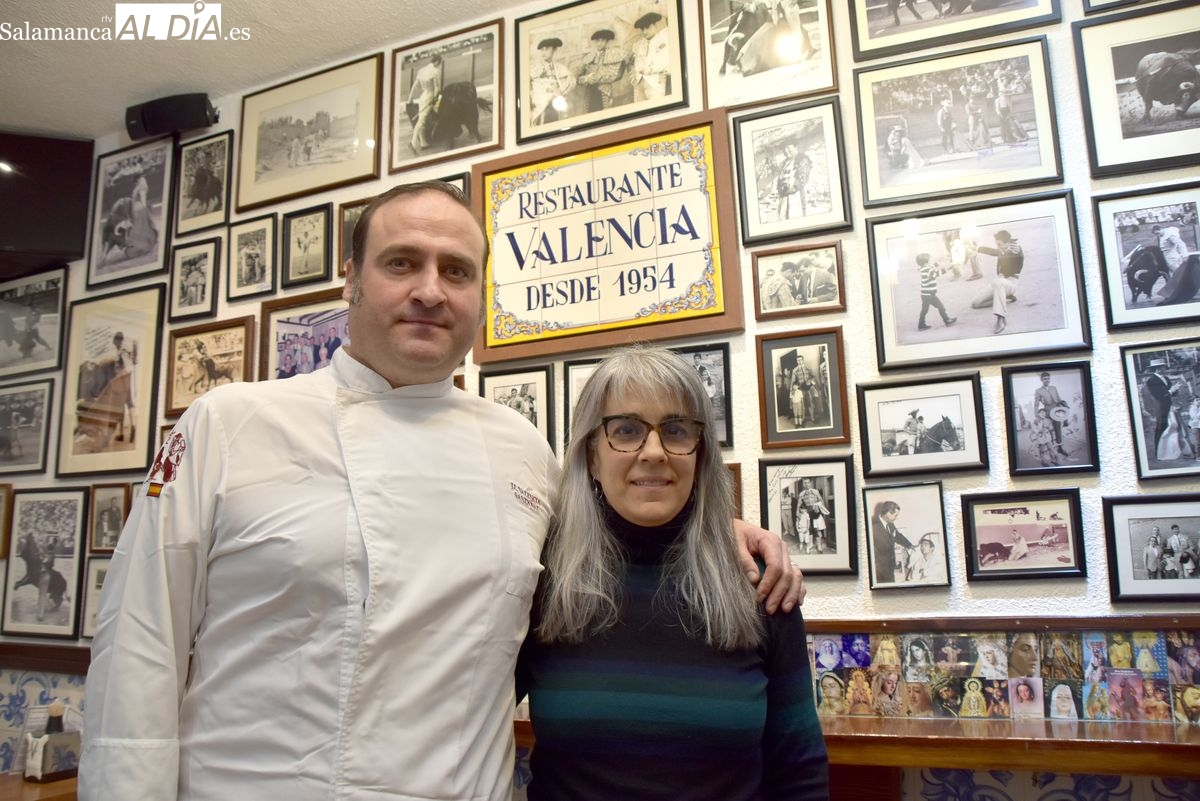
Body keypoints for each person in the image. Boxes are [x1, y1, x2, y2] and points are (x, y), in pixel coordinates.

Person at [81, 182, 802, 801]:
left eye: (456, 270)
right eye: (402, 262)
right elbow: (139, 648)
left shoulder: (518, 448)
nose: (430, 289)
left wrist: (727, 532)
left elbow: (609, 525)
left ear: (479, 297)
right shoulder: (229, 423)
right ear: (351, 279)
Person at [517, 346, 828, 800]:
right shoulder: (547, 582)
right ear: (592, 454)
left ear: (699, 454)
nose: (654, 452)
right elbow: (466, 716)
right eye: (626, 430)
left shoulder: (758, 583)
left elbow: (798, 770)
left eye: (677, 430)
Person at [973, 229, 1023, 335]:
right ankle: (1003, 297)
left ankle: (1001, 317)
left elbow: (1015, 252)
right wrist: (978, 249)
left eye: (999, 244)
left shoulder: (1015, 250)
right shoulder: (1002, 250)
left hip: (1011, 283)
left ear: (1007, 242)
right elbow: (993, 252)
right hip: (1000, 283)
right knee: (976, 303)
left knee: (998, 282)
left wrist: (1015, 248)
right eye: (996, 244)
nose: (997, 246)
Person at [576, 29, 627, 112]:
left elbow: (616, 75)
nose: (599, 43)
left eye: (602, 40)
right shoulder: (588, 57)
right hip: (590, 92)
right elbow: (578, 79)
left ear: (606, 42)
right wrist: (587, 78)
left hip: (605, 92)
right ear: (594, 42)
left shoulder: (613, 55)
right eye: (597, 41)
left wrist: (598, 77)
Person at [530, 38, 575, 126]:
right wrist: (550, 91)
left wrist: (560, 90)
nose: (544, 52)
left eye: (547, 49)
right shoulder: (536, 68)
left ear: (554, 50)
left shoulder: (559, 67)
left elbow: (572, 80)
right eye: (542, 50)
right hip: (543, 105)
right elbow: (533, 86)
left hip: (557, 102)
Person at [628, 12, 671, 101]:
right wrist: (635, 75)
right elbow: (637, 62)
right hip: (639, 83)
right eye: (642, 29)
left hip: (655, 83)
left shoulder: (663, 39)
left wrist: (645, 69)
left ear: (654, 25)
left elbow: (664, 62)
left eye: (647, 28)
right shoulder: (640, 44)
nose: (644, 32)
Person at [870, 500, 913, 584]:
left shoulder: (890, 523)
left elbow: (897, 535)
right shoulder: (873, 525)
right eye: (895, 515)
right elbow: (883, 547)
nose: (897, 518)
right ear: (888, 513)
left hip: (889, 566)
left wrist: (910, 545)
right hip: (879, 569)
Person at [1032, 371, 1070, 460]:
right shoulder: (1038, 391)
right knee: (1047, 431)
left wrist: (1063, 407)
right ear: (1042, 380)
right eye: (1045, 379)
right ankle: (1051, 450)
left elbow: (1059, 399)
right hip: (1047, 412)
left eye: (1048, 379)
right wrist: (1037, 415)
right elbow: (1036, 404)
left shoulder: (1054, 388)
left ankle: (1060, 448)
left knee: (1058, 430)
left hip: (1056, 411)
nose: (1047, 380)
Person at [408, 54, 442, 151]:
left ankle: (423, 143)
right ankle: (413, 142)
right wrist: (436, 103)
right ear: (437, 62)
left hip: (422, 97)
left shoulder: (421, 70)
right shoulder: (435, 71)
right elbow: (437, 89)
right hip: (431, 96)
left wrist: (410, 99)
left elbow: (415, 86)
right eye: (438, 64)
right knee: (422, 120)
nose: (438, 65)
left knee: (421, 118)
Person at [915, 253, 957, 331]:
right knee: (940, 306)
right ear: (925, 263)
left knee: (925, 310)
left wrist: (940, 260)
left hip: (925, 294)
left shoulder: (924, 268)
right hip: (929, 294)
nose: (930, 263)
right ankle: (947, 320)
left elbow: (933, 266)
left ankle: (921, 325)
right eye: (928, 261)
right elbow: (937, 274)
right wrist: (949, 268)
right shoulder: (927, 270)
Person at [1143, 358, 1174, 452]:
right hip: (1161, 407)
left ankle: (1170, 448)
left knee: (1172, 425)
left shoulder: (1166, 378)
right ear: (1158, 368)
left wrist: (1175, 389)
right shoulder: (1151, 381)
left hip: (1170, 405)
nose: (1165, 368)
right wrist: (1171, 391)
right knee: (1161, 426)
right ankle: (1159, 450)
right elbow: (1159, 395)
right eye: (1163, 367)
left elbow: (1171, 392)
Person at [776, 141, 812, 220]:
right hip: (784, 198)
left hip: (796, 196)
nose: (785, 150)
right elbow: (780, 180)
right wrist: (780, 188)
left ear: (795, 147)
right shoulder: (785, 163)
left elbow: (802, 179)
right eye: (783, 148)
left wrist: (789, 187)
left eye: (788, 147)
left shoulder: (802, 160)